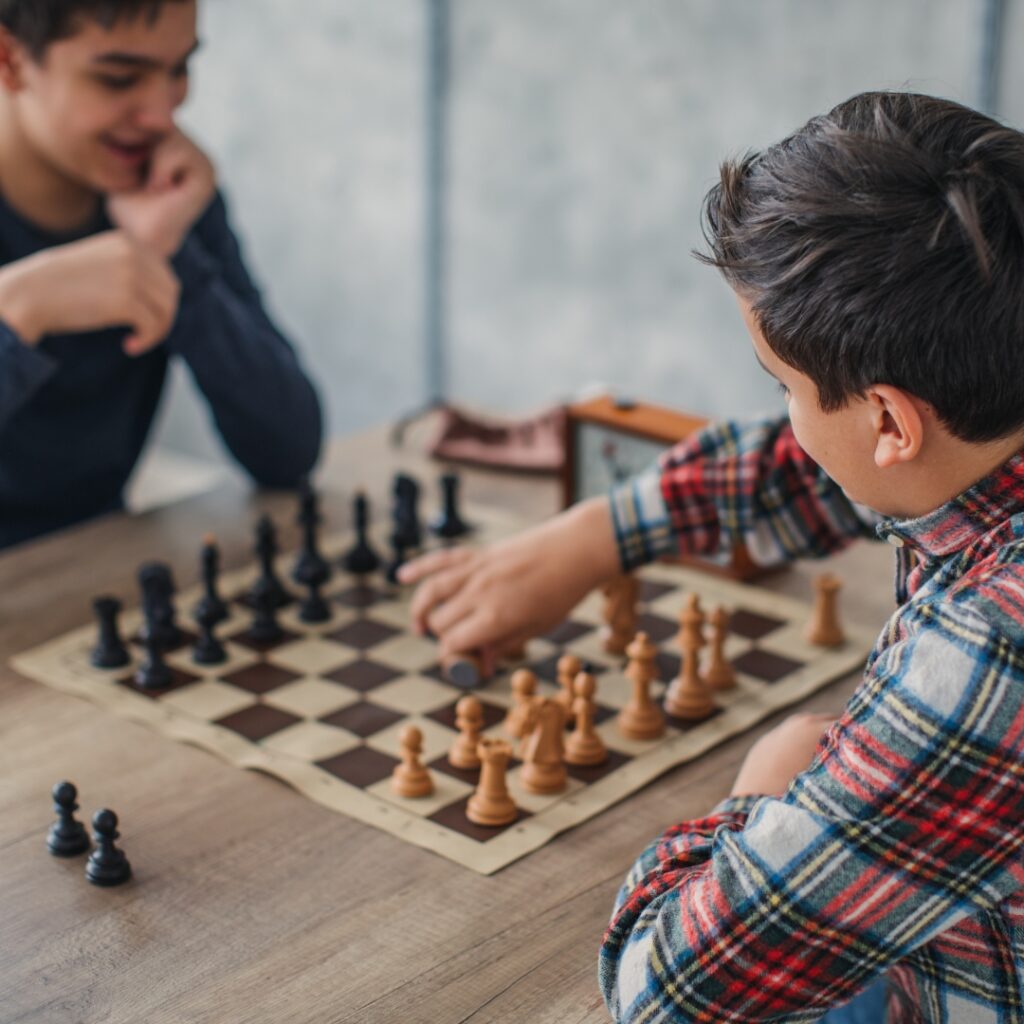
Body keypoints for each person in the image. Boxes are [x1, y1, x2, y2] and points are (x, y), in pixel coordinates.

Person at [401, 92, 1024, 1023]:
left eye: (784, 388)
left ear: (889, 420)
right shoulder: (982, 416)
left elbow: (668, 996)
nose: (786, 419)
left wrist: (771, 786)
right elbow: (832, 470)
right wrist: (595, 537)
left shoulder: (992, 646)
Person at [0, 0, 322, 550]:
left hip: (85, 581)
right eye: (118, 78)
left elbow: (287, 450)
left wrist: (170, 257)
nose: (162, 114)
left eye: (178, 70)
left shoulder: (167, 191)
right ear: (9, 59)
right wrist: (17, 313)